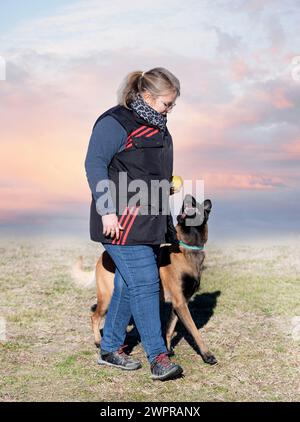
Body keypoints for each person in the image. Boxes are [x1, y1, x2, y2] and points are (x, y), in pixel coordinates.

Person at [84, 67, 182, 381]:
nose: (170, 109)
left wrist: (164, 188)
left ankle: (110, 347)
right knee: (145, 284)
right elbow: (95, 164)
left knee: (128, 285)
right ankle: (158, 357)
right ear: (147, 95)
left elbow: (145, 172)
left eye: (173, 104)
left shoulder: (158, 126)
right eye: (167, 103)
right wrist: (107, 210)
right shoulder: (115, 122)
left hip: (148, 221)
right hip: (119, 221)